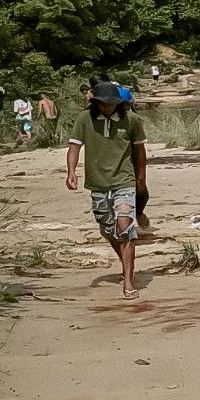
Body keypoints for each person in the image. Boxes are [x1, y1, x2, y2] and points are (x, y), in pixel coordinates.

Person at [66, 80, 147, 300]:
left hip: (124, 180)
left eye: (111, 103)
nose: (107, 107)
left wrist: (141, 180)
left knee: (125, 225)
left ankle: (128, 282)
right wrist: (71, 171)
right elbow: (74, 146)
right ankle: (124, 259)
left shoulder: (131, 119)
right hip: (97, 183)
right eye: (102, 103)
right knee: (108, 228)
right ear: (95, 102)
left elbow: (140, 151)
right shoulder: (84, 119)